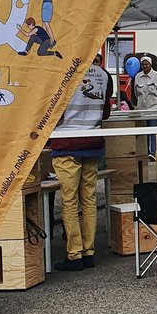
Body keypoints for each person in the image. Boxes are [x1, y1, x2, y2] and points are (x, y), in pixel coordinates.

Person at [50, 61, 113, 272]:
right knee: (89, 199)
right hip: (92, 141)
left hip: (67, 142)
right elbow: (105, 113)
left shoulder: (65, 71)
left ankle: (74, 254)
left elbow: (54, 112)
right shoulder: (104, 75)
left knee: (69, 201)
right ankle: (89, 252)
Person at [132, 55, 157, 159]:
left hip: (154, 108)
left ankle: (152, 152)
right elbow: (136, 92)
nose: (145, 66)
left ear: (150, 65)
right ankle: (145, 151)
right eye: (143, 64)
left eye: (146, 64)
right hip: (142, 109)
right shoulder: (138, 77)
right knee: (144, 131)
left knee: (152, 130)